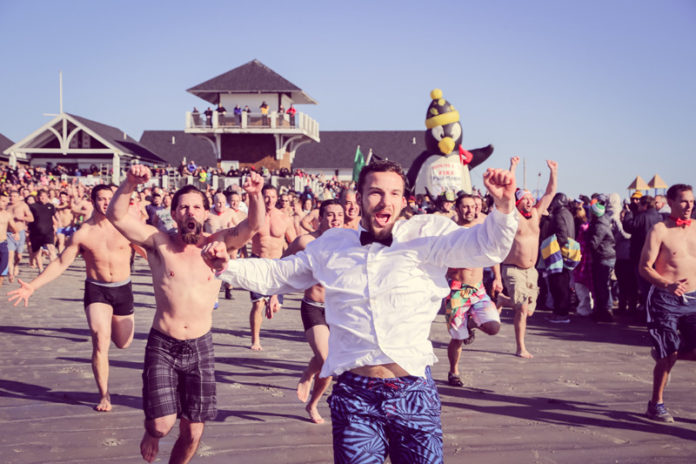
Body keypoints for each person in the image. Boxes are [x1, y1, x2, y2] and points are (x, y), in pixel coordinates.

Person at [202, 159, 518, 463]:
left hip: (413, 391)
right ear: (361, 196)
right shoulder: (333, 245)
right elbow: (279, 274)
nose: (385, 201)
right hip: (355, 395)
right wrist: (228, 267)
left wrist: (503, 207)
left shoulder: (427, 235)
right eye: (376, 192)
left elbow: (486, 246)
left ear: (404, 199)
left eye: (394, 193)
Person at [105, 165, 264, 464]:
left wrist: (254, 195)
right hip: (164, 342)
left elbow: (253, 226)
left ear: (205, 213)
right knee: (162, 425)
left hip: (201, 345)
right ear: (175, 213)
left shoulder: (219, 243)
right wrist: (128, 183)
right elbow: (116, 216)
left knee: (193, 432)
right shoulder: (158, 243)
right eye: (183, 207)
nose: (190, 212)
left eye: (196, 207)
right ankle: (150, 430)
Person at [8, 186, 135, 412]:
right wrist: (33, 286)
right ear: (93, 201)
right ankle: (104, 394)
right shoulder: (83, 232)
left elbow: (154, 251)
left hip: (123, 290)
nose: (106, 202)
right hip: (97, 289)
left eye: (110, 198)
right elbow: (60, 263)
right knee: (99, 337)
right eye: (101, 199)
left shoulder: (127, 227)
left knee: (123, 343)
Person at [639, 183, 695, 423]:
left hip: (694, 298)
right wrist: (667, 284)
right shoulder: (659, 230)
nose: (689, 205)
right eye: (683, 201)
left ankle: (667, 351)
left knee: (681, 351)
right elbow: (643, 267)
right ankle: (656, 404)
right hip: (665, 299)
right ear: (670, 202)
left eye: (691, 201)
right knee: (668, 354)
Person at [285, 199, 345, 424]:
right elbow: (282, 265)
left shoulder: (350, 242)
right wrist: (274, 295)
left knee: (328, 362)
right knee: (328, 359)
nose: (335, 219)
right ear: (320, 218)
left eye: (339, 214)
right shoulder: (306, 241)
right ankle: (310, 378)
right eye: (330, 214)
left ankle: (312, 402)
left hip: (338, 310)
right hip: (314, 306)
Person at [498, 157, 557, 357]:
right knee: (522, 309)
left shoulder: (537, 215)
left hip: (532, 271)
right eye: (526, 198)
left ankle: (502, 300)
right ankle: (520, 347)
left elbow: (550, 193)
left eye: (532, 198)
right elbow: (508, 191)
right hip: (513, 269)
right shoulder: (514, 216)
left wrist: (553, 172)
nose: (530, 201)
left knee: (529, 311)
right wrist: (512, 167)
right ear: (518, 202)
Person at [445, 193, 502, 386]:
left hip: (478, 290)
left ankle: (471, 323)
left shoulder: (480, 231)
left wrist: (498, 278)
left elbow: (493, 255)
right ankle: (454, 372)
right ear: (458, 208)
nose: (470, 210)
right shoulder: (450, 232)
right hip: (456, 291)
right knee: (457, 338)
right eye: (466, 207)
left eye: (473, 206)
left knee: (494, 328)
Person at [247, 184, 297, 350]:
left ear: (277, 198)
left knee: (275, 306)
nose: (269, 200)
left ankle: (272, 301)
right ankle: (256, 340)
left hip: (277, 265)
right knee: (258, 304)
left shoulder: (284, 218)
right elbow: (241, 237)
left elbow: (295, 243)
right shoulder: (255, 217)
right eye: (266, 196)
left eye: (272, 196)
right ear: (262, 197)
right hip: (258, 262)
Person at [543, 192, 575, 323]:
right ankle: (558, 312)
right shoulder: (566, 213)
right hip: (565, 253)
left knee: (558, 284)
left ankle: (561, 313)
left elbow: (562, 234)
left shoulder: (560, 215)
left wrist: (555, 246)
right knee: (561, 284)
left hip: (558, 254)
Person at [588, 195, 616, 322]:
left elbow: (594, 242)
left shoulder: (600, 224)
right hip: (604, 255)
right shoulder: (603, 221)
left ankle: (605, 311)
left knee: (602, 285)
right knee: (601, 285)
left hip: (603, 256)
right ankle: (601, 310)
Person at [7, 189, 34, 282]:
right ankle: (10, 273)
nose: (12, 198)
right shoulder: (6, 207)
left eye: (14, 196)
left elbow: (31, 218)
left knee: (18, 256)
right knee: (10, 255)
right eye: (11, 196)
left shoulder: (23, 205)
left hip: (20, 232)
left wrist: (22, 218)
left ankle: (15, 265)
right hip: (9, 233)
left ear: (18, 197)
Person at [27, 189, 57, 271]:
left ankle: (53, 268)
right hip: (35, 232)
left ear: (47, 196)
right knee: (37, 251)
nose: (42, 198)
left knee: (51, 248)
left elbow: (53, 217)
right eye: (41, 196)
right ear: (37, 197)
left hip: (48, 231)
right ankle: (41, 269)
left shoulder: (51, 206)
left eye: (44, 196)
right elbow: (28, 218)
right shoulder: (32, 206)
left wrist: (56, 226)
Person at [0, 193, 19, 287]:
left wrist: (16, 233)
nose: (3, 203)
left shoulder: (7, 215)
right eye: (1, 200)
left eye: (4, 201)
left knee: (2, 269)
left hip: (2, 243)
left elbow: (14, 228)